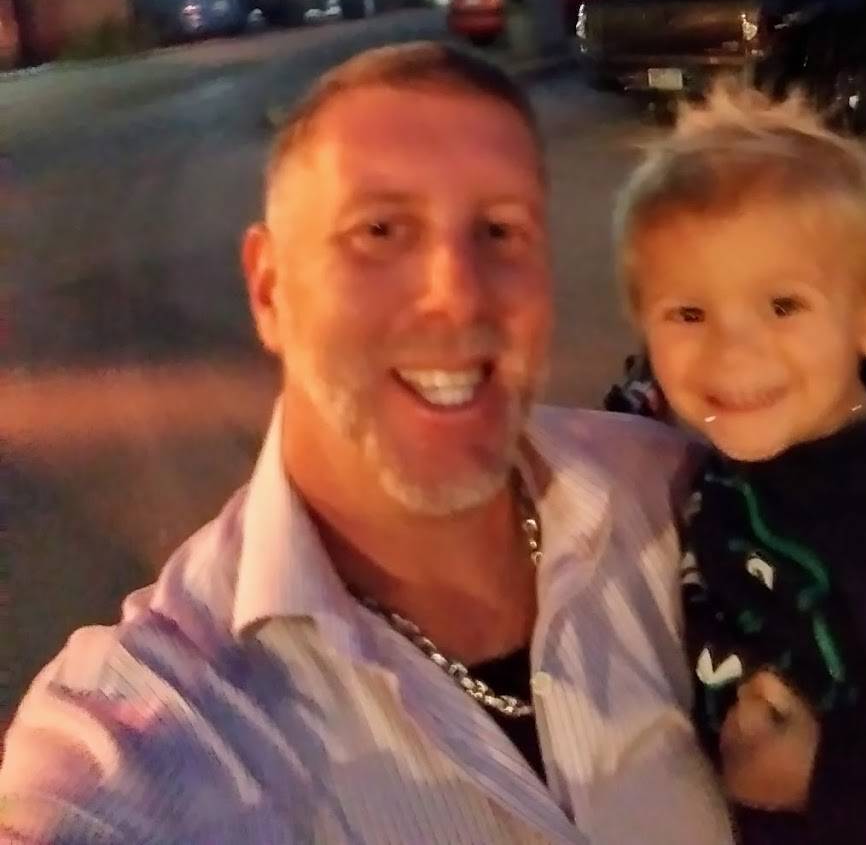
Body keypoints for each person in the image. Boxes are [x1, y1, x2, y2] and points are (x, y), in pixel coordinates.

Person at [0, 42, 733, 845]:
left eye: (500, 229)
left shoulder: (678, 496)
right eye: (379, 230)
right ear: (270, 289)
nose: (457, 293)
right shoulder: (160, 723)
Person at [613, 84, 866, 845]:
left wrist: (824, 779)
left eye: (784, 305)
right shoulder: (716, 462)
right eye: (688, 314)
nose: (733, 352)